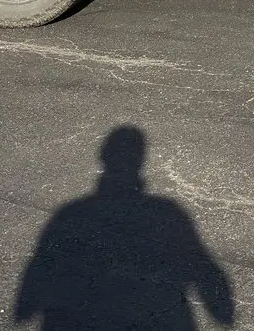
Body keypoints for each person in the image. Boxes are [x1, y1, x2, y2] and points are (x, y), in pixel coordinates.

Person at [15, 126, 235, 330]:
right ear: (140, 161)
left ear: (103, 157)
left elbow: (42, 265)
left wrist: (26, 306)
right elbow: (201, 264)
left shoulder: (73, 214)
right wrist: (221, 310)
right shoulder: (166, 212)